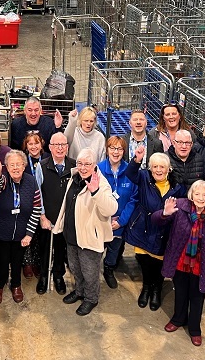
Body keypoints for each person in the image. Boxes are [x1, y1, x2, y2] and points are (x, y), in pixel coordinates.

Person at [155, 181, 205, 347]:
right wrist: (164, 213)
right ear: (191, 195)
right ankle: (178, 319)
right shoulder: (180, 207)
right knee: (180, 292)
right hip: (181, 262)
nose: (200, 198)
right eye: (197, 194)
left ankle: (194, 329)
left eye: (204, 195)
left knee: (197, 297)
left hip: (202, 266)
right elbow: (156, 220)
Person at [52, 148, 118, 316]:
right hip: (72, 235)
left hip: (89, 238)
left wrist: (95, 192)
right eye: (80, 163)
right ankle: (79, 291)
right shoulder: (74, 178)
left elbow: (111, 208)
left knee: (90, 272)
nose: (82, 167)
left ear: (94, 165)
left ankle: (91, 298)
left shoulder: (101, 183)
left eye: (87, 164)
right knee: (75, 268)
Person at [125, 147, 185, 311]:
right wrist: (136, 160)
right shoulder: (144, 177)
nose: (158, 170)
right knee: (145, 262)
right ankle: (146, 288)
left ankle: (157, 289)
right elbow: (130, 174)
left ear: (168, 169)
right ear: (150, 168)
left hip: (163, 231)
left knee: (159, 263)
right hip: (143, 227)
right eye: (155, 167)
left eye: (162, 167)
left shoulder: (178, 187)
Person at [0, 150, 41, 304]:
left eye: (19, 164)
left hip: (22, 233)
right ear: (6, 167)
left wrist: (29, 234)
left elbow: (37, 208)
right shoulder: (3, 180)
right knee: (2, 261)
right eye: (12, 165)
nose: (16, 168)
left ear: (24, 166)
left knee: (17, 261)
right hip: (2, 231)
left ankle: (16, 285)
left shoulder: (31, 182)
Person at [35, 132, 74, 295]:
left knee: (60, 249)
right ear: (50, 147)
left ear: (67, 147)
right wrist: (42, 216)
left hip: (65, 220)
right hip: (47, 219)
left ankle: (58, 276)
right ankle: (44, 276)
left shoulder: (74, 167)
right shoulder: (41, 166)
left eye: (63, 145)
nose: (60, 148)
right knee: (44, 249)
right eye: (56, 145)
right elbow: (37, 194)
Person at [97, 136, 137, 290]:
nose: (116, 152)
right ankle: (93, 274)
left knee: (114, 251)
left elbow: (133, 199)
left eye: (119, 149)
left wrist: (121, 221)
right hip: (101, 222)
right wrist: (106, 220)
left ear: (124, 152)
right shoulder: (98, 169)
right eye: (112, 148)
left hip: (120, 223)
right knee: (97, 251)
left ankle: (108, 270)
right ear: (107, 150)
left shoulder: (130, 172)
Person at [22, 132, 50, 279]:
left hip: (43, 202)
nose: (33, 146)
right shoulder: (23, 161)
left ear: (41, 145)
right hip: (26, 202)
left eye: (36, 143)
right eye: (30, 144)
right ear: (26, 146)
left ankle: (38, 262)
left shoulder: (47, 160)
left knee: (40, 234)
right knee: (27, 232)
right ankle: (27, 262)